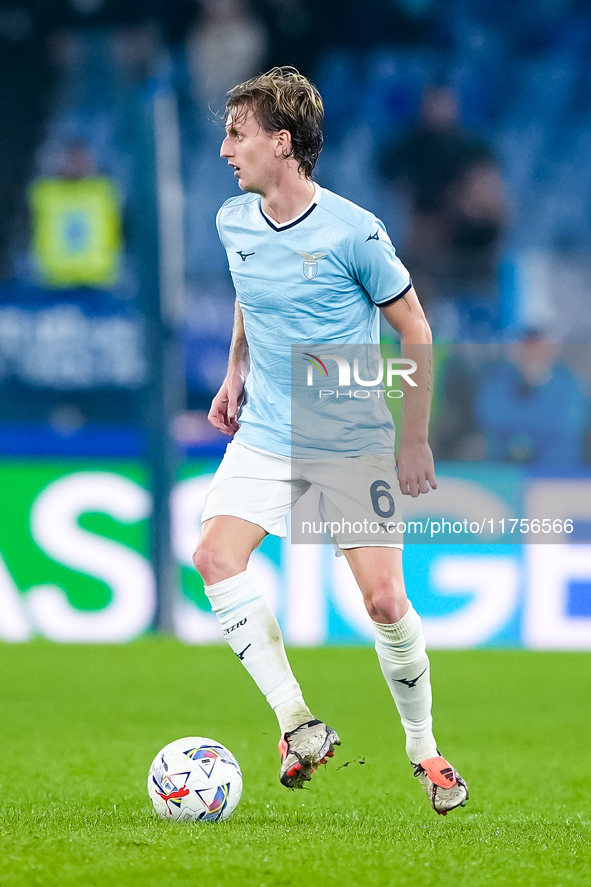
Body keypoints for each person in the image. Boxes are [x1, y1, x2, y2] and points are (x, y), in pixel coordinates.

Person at [193, 67, 468, 815]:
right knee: (214, 556)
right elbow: (251, 298)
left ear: (281, 143)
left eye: (237, 134)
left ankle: (424, 749)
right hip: (269, 430)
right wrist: (234, 371)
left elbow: (413, 328)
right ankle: (296, 723)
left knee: (383, 601)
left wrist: (413, 441)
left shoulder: (355, 230)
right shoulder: (233, 221)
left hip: (347, 431)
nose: (225, 150)